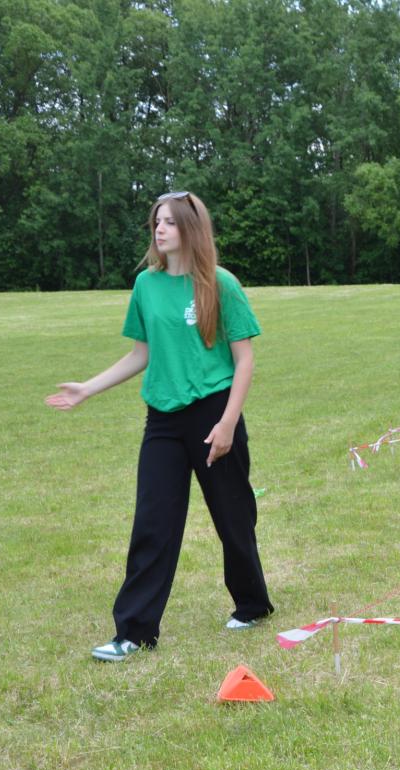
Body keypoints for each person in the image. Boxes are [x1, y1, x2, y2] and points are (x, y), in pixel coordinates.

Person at [46, 190, 274, 661]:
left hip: (214, 413)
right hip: (163, 421)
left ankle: (253, 604)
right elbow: (141, 354)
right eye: (156, 222)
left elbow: (244, 359)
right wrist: (87, 388)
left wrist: (228, 423)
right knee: (153, 522)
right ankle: (133, 632)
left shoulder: (220, 284)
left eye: (169, 221)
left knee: (233, 517)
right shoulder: (145, 286)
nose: (160, 229)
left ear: (190, 228)